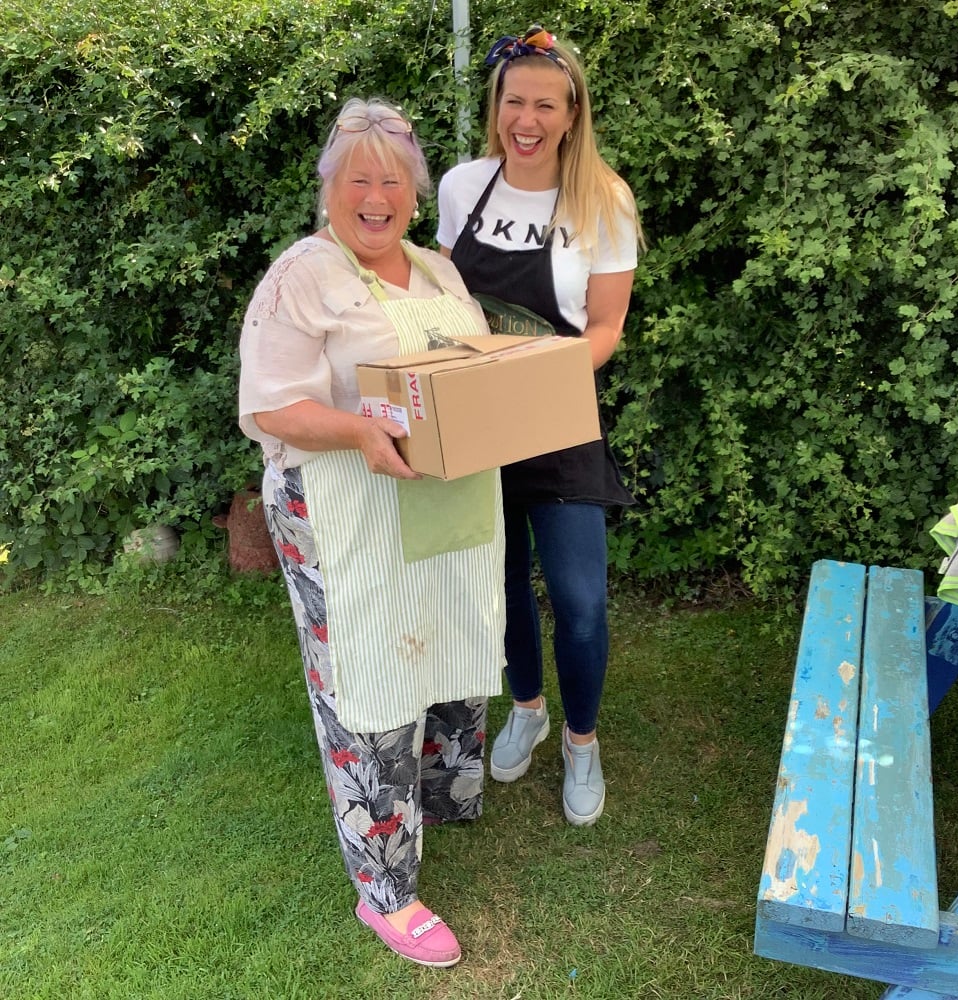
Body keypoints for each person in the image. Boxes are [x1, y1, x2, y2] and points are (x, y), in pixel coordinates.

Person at [239, 97, 505, 968]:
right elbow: (270, 406)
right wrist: (360, 429)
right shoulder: (302, 277)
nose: (376, 195)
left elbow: (471, 371)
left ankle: (441, 790)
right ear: (330, 189)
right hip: (346, 511)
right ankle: (385, 888)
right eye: (360, 178)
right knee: (368, 674)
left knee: (450, 639)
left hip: (446, 503)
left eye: (393, 179)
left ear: (416, 194)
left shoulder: (434, 271)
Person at [437, 26, 643, 827]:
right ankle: (527, 706)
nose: (527, 118)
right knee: (501, 588)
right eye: (514, 100)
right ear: (498, 107)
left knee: (581, 600)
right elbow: (448, 297)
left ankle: (582, 741)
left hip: (555, 416)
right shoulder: (462, 186)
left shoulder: (604, 198)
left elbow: (604, 329)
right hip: (475, 417)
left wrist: (536, 373)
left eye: (544, 104)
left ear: (570, 113)